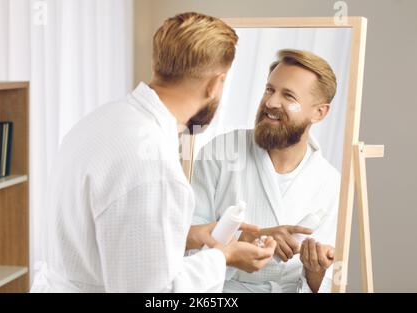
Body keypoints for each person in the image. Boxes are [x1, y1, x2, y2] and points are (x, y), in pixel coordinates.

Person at [31, 12, 276, 293]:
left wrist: (190, 236)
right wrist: (224, 257)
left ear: (156, 63)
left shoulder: (99, 121)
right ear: (214, 84)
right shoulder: (155, 167)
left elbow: (110, 233)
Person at [191, 49, 340, 293]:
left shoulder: (331, 183)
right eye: (269, 90)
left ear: (319, 112)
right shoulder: (222, 151)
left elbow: (323, 284)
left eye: (288, 96)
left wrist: (315, 268)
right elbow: (185, 245)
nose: (270, 102)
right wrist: (244, 240)